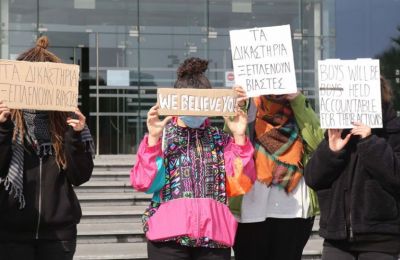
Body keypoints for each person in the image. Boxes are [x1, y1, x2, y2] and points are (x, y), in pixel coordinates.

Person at [130, 57, 256, 260]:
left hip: (214, 236)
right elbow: (144, 183)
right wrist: (153, 139)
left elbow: (241, 184)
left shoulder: (221, 139)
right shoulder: (163, 137)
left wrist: (240, 137)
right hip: (167, 239)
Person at [0, 36, 95, 260]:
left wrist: (75, 135)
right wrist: (3, 130)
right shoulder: (7, 122)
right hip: (11, 233)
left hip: (59, 235)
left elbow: (80, 176)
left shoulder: (67, 125)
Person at [304, 77, 400, 259]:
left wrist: (370, 141)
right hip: (336, 238)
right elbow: (312, 178)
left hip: (381, 239)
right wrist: (331, 151)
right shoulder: (338, 130)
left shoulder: (393, 130)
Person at [231, 90, 324, 260]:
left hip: (293, 211)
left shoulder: (298, 104)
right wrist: (239, 105)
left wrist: (297, 100)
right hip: (250, 209)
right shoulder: (249, 103)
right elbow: (231, 145)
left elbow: (320, 144)